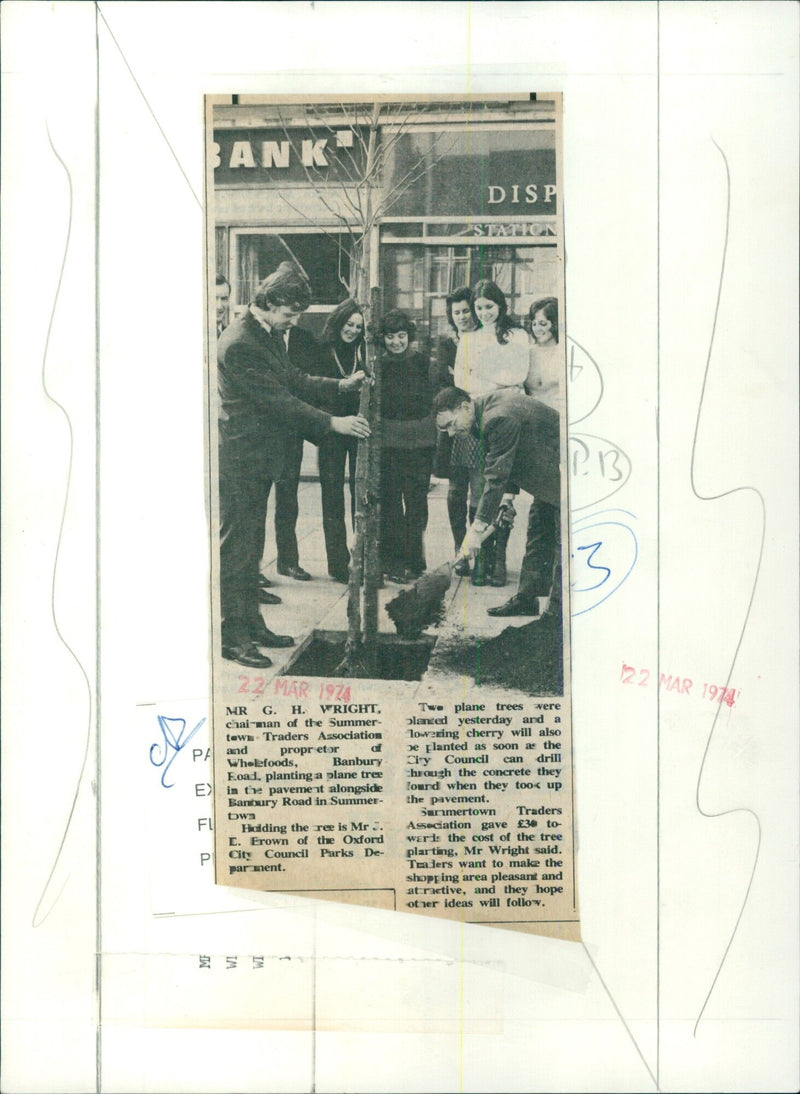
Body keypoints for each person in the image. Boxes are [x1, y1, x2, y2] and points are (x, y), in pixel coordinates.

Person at [217, 261, 369, 668]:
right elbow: (280, 400)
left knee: (250, 548)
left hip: (258, 457)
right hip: (241, 459)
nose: (293, 322)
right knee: (237, 550)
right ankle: (232, 637)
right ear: (268, 303)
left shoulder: (267, 334)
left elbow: (294, 377)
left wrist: (339, 384)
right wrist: (332, 422)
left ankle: (251, 624)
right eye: (289, 314)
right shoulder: (241, 343)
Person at [433, 385, 562, 624]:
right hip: (546, 476)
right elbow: (505, 456)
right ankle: (526, 599)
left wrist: (477, 528)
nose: (450, 434)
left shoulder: (497, 417)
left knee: (561, 543)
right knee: (537, 533)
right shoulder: (482, 412)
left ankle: (556, 613)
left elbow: (496, 475)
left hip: (564, 475)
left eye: (451, 424)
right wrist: (506, 500)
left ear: (463, 407)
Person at [453, 279, 530, 585]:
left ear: (501, 304)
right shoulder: (469, 339)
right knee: (479, 487)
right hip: (478, 419)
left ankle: (498, 560)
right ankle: (479, 561)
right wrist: (498, 384)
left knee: (504, 490)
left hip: (508, 416)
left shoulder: (517, 335)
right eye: (479, 307)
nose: (484, 312)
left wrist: (482, 378)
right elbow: (462, 380)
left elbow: (519, 374)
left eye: (489, 306)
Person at [378, 309, 437, 583]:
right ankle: (394, 562)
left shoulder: (423, 363)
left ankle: (415, 559)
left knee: (416, 504)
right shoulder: (379, 366)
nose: (396, 342)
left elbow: (431, 400)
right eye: (390, 337)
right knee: (390, 504)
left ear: (409, 337)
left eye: (401, 336)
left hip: (419, 444)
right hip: (389, 443)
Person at [310, 299, 366, 583]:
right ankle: (337, 563)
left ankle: (362, 558)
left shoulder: (364, 350)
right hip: (331, 428)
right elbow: (313, 388)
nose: (353, 330)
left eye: (358, 326)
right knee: (331, 496)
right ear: (339, 322)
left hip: (358, 427)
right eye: (349, 324)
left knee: (361, 494)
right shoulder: (321, 349)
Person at [270, 322, 322, 583]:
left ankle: (288, 561)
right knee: (252, 503)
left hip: (291, 432)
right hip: (260, 431)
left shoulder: (304, 339)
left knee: (288, 498)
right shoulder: (260, 336)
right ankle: (250, 571)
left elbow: (306, 380)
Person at [524, 296, 561, 409]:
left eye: (543, 324)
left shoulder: (564, 352)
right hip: (531, 415)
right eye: (534, 324)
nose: (537, 329)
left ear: (555, 324)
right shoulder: (527, 353)